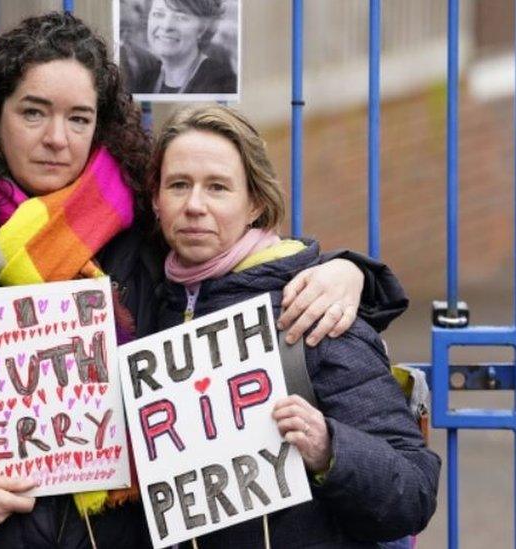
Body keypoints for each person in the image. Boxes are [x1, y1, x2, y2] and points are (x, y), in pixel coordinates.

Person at [0, 12, 403, 549]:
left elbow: (242, 265)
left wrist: (347, 272)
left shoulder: (144, 227)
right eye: (33, 112)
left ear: (101, 126)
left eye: (79, 119)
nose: (57, 138)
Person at [148, 105, 440, 547]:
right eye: (178, 185)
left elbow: (414, 492)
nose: (194, 206)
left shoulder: (311, 310)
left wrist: (330, 450)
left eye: (218, 188)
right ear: (156, 200)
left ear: (256, 204)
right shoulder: (146, 305)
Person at [123, 0, 237, 95]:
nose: (166, 26)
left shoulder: (223, 82)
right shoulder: (144, 80)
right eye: (158, 14)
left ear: (202, 29)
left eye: (181, 18)